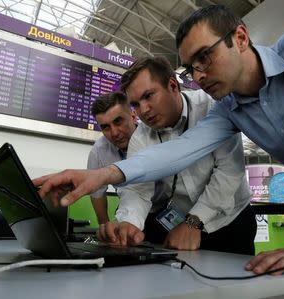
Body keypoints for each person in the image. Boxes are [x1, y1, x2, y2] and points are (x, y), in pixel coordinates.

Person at [34, 5, 284, 298]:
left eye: (205, 57)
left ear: (240, 38)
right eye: (191, 67)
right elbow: (183, 149)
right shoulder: (229, 108)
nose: (199, 75)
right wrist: (104, 174)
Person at [98, 56, 256, 254]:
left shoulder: (211, 107)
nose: (144, 111)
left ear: (173, 85)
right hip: (181, 227)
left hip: (230, 222)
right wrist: (129, 223)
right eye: (136, 104)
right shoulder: (141, 137)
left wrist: (194, 221)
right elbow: (138, 190)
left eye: (149, 96)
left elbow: (229, 172)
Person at [86, 92, 137, 233]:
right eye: (105, 127)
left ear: (133, 116)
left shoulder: (155, 136)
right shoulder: (99, 150)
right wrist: (105, 225)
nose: (114, 133)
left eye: (118, 121)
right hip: (127, 212)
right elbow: (97, 192)